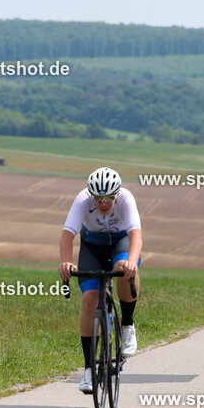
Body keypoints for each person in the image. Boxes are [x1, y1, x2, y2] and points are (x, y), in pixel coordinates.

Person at [58, 167, 142, 393]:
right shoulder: (82, 200)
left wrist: (132, 262)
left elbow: (135, 235)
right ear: (91, 195)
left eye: (108, 199)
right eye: (98, 199)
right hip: (93, 247)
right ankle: (88, 370)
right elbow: (67, 235)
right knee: (89, 300)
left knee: (123, 268)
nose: (103, 204)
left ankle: (127, 325)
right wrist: (66, 262)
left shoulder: (126, 199)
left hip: (120, 243)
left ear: (117, 194)